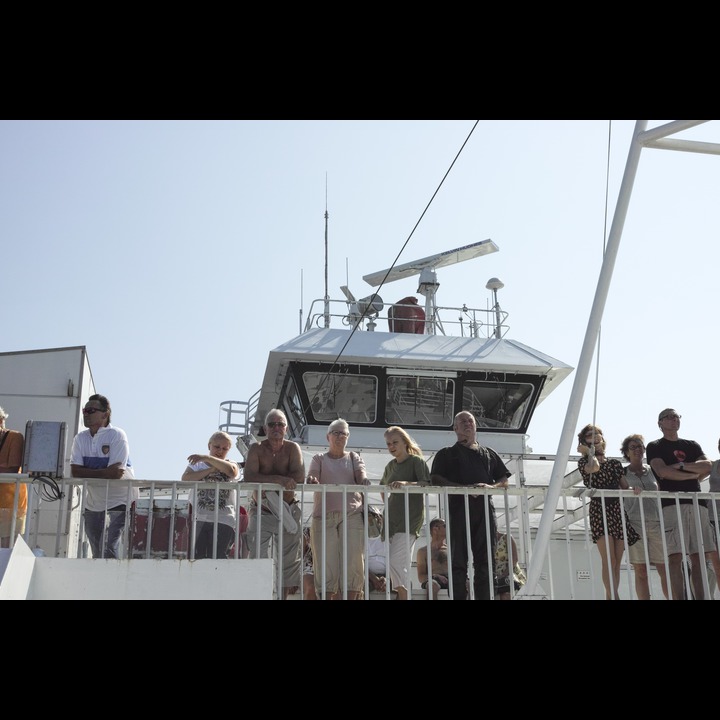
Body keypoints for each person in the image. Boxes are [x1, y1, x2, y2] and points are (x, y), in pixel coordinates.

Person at [430, 411, 511, 600]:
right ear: (455, 428)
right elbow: (435, 478)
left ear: (475, 425)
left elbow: (504, 480)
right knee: (458, 561)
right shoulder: (446, 454)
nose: (467, 424)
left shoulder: (489, 453)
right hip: (458, 511)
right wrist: (465, 489)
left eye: (470, 421)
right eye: (462, 421)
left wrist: (490, 487)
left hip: (484, 512)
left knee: (486, 561)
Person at [646, 408, 720, 600]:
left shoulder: (692, 445)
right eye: (668, 417)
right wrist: (691, 473)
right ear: (660, 423)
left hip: (697, 504)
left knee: (699, 556)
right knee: (675, 557)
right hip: (671, 504)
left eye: (676, 416)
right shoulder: (655, 446)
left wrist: (680, 466)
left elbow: (707, 466)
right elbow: (662, 472)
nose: (673, 420)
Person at [243, 408, 304, 600]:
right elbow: (250, 477)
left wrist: (270, 480)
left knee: (288, 560)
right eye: (272, 424)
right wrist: (279, 479)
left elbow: (298, 477)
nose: (276, 428)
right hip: (262, 511)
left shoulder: (293, 448)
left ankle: (282, 598)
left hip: (289, 510)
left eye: (280, 424)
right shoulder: (256, 449)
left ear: (286, 428)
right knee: (257, 555)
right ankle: (258, 595)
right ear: (265, 428)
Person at [306, 418, 369, 600]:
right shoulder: (319, 458)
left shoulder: (354, 457)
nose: (340, 436)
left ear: (347, 437)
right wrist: (312, 480)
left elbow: (360, 475)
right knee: (325, 563)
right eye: (336, 432)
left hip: (352, 515)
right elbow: (312, 476)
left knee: (354, 561)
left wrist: (363, 479)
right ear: (328, 437)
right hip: (323, 517)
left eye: (344, 433)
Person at [70, 394, 137, 559]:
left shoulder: (117, 435)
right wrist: (104, 472)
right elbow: (75, 472)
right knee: (97, 552)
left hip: (119, 501)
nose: (86, 413)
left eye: (91, 410)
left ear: (105, 414)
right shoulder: (80, 438)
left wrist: (88, 472)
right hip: (93, 502)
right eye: (85, 410)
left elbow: (116, 473)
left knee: (109, 549)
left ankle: (113, 583)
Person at [577, 423, 638, 600]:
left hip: (617, 510)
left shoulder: (615, 463)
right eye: (590, 435)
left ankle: (610, 597)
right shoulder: (584, 461)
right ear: (584, 441)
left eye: (598, 434)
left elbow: (624, 486)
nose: (595, 436)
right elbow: (594, 468)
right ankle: (615, 596)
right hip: (599, 509)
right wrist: (589, 452)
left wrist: (634, 489)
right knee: (609, 559)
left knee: (617, 561)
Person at [379, 426, 429, 600]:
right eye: (388, 444)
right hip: (391, 518)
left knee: (395, 561)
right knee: (398, 563)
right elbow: (382, 487)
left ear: (404, 442)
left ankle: (404, 593)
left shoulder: (417, 461)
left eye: (395, 442)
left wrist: (405, 483)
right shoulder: (389, 466)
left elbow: (426, 484)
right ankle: (403, 594)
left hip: (409, 518)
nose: (391, 446)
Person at [620, 433, 669, 600]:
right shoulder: (622, 472)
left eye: (640, 446)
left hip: (656, 522)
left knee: (665, 568)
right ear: (626, 452)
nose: (638, 450)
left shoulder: (652, 470)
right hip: (634, 523)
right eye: (633, 447)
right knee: (641, 570)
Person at [181, 431, 240, 559]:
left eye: (225, 448)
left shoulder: (231, 463)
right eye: (217, 447)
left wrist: (207, 458)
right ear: (209, 446)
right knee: (198, 558)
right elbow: (186, 478)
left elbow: (232, 472)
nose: (220, 451)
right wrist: (211, 469)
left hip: (224, 520)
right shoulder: (197, 464)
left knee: (218, 557)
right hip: (199, 518)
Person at [0, 406, 26, 548]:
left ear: (1, 420)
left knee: (6, 550)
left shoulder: (14, 437)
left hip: (11, 504)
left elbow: (12, 469)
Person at [415, 517, 449, 600]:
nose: (448, 528)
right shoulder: (423, 551)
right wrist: (435, 576)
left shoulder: (450, 550)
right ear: (435, 529)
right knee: (432, 585)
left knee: (467, 583)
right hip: (433, 580)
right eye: (444, 526)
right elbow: (421, 577)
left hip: (451, 580)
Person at [495, 530, 526, 600]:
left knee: (507, 596)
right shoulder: (487, 543)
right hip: (497, 577)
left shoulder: (506, 538)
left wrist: (504, 574)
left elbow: (514, 559)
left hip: (511, 573)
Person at [366, 506, 388, 593]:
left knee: (404, 585)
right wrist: (374, 579)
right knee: (358, 586)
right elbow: (359, 565)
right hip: (368, 577)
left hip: (389, 576)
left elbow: (395, 563)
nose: (371, 520)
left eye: (374, 516)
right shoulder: (358, 539)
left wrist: (387, 578)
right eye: (368, 516)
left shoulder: (390, 538)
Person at [301, 525, 317, 599]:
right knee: (311, 588)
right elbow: (299, 556)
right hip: (310, 563)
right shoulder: (306, 530)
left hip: (332, 563)